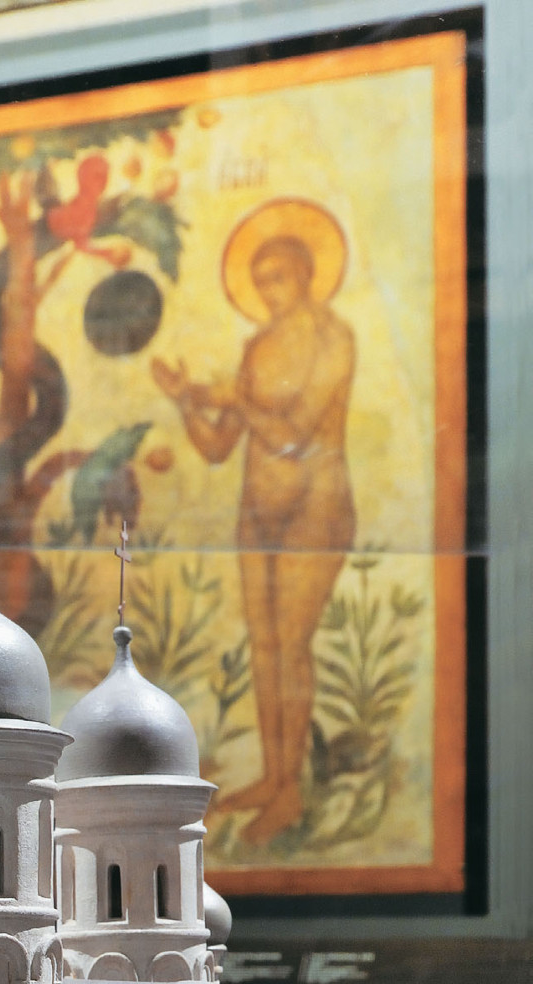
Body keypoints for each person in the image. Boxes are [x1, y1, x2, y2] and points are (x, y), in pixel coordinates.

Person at [152, 204, 355, 845]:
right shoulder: (257, 347)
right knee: (265, 648)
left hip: (315, 508)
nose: (270, 292)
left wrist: (233, 398)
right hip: (258, 513)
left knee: (292, 645)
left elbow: (295, 436)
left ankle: (290, 791)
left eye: (280, 278)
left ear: (307, 276)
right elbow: (218, 448)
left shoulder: (333, 340)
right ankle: (273, 779)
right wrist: (185, 400)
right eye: (261, 281)